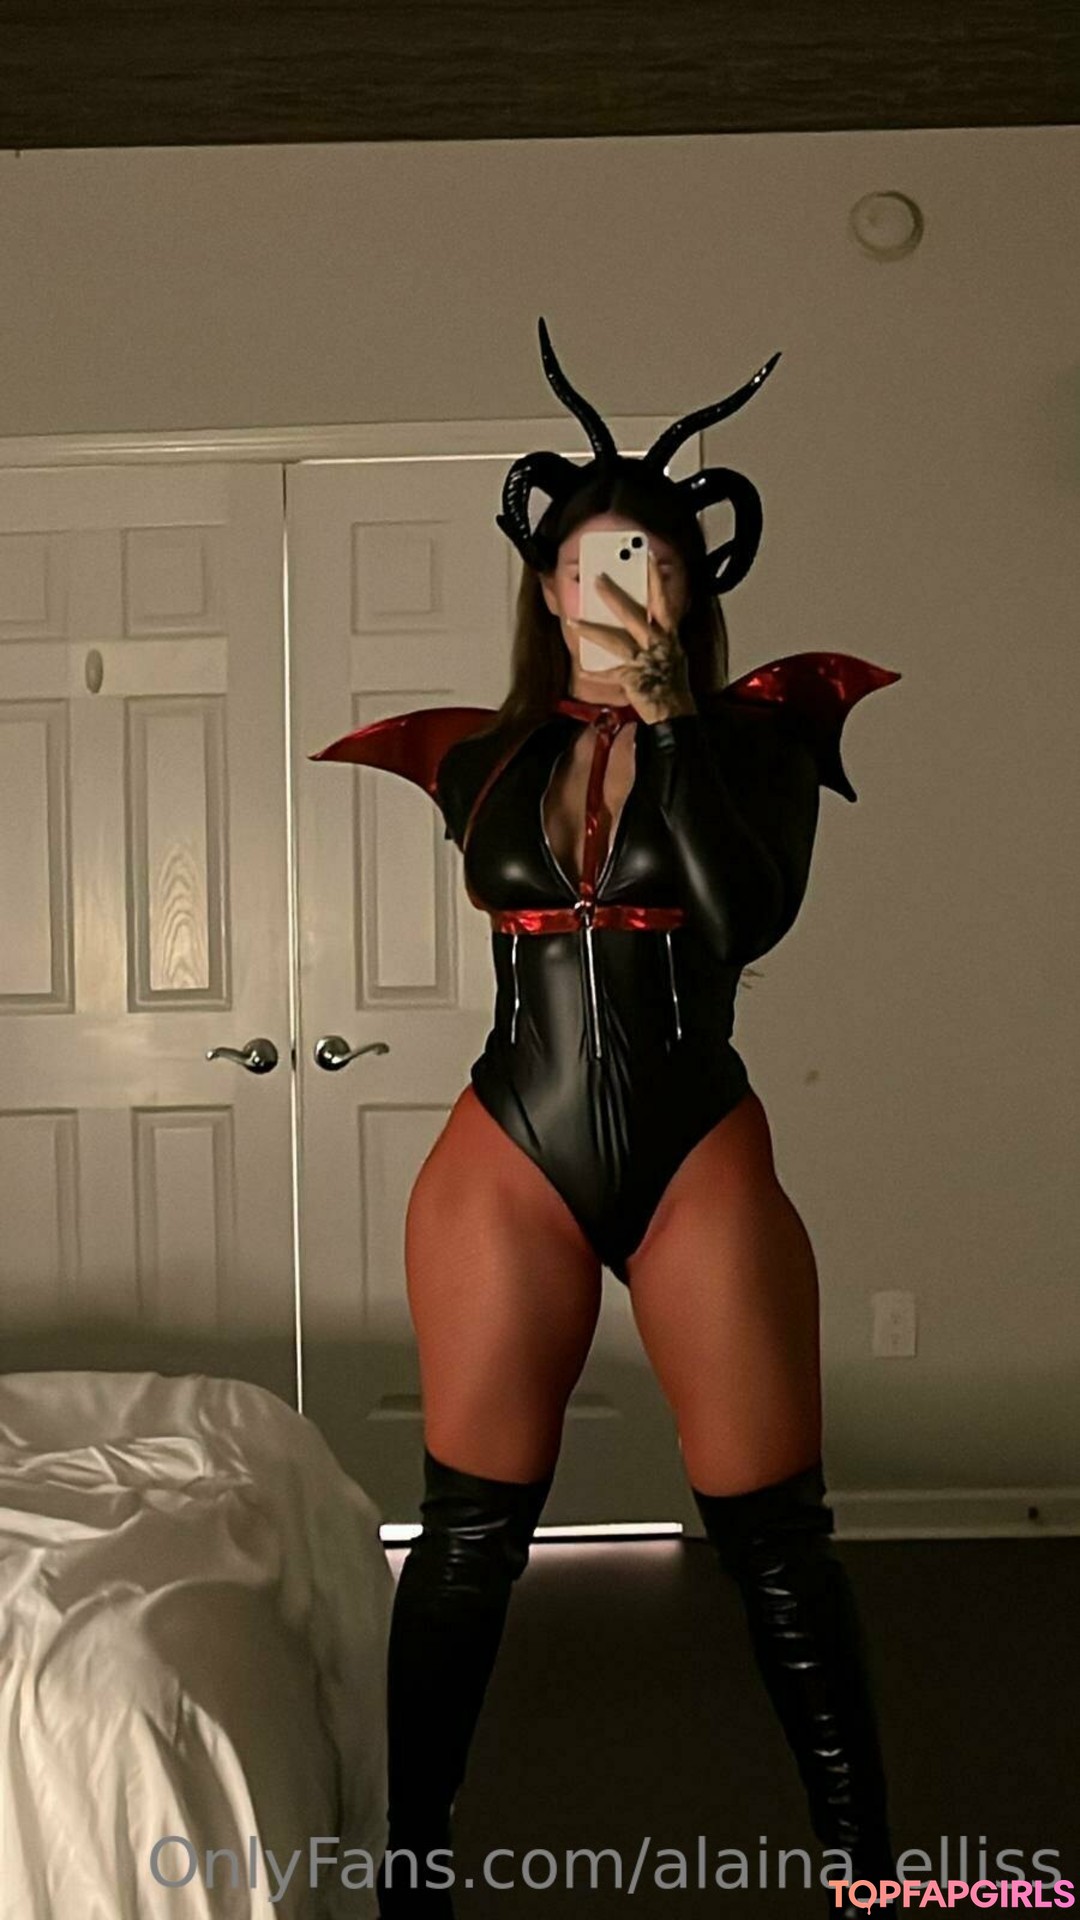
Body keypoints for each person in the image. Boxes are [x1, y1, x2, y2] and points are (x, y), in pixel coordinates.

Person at [312, 319, 904, 1920]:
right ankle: (410, 1874)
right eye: (586, 558)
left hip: (696, 1144)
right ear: (546, 582)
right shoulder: (481, 759)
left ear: (693, 585)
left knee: (777, 1538)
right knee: (467, 1533)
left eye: (648, 558)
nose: (615, 580)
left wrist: (680, 720)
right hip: (510, 1150)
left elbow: (745, 917)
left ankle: (874, 1881)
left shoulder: (763, 739)